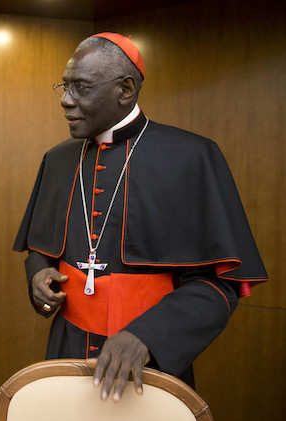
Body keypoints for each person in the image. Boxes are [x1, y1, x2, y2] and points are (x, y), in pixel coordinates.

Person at [13, 33, 267, 402]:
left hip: (148, 363)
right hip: (66, 349)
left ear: (126, 88)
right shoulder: (58, 159)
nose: (66, 101)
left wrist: (148, 336)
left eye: (81, 87)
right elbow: (39, 247)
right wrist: (37, 274)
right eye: (64, 87)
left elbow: (218, 285)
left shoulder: (192, 158)